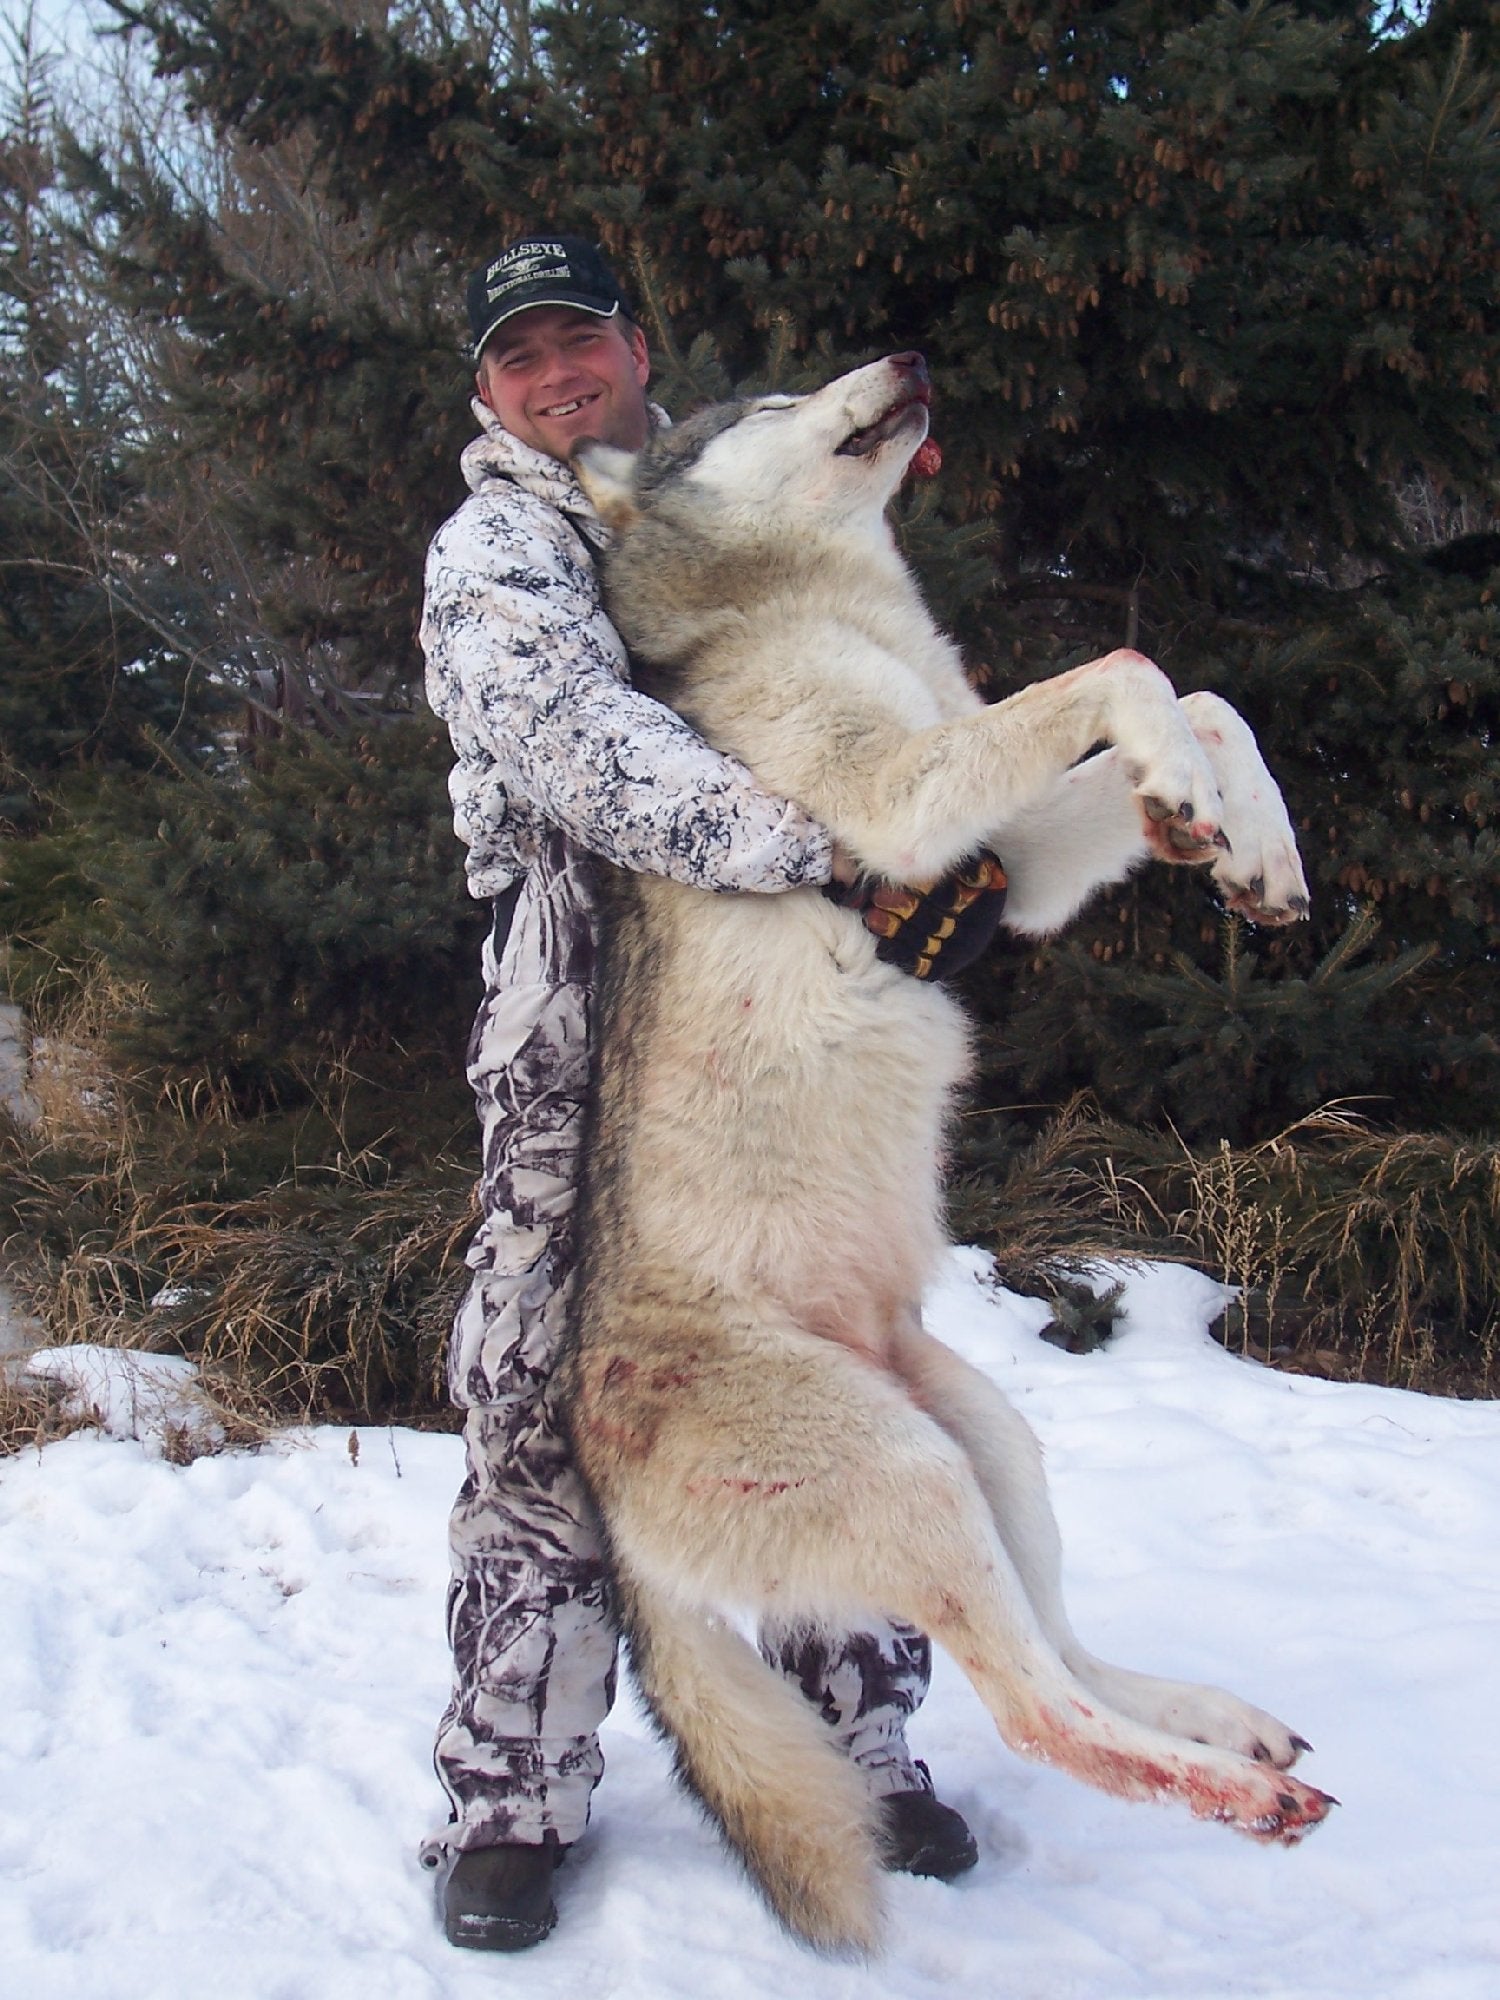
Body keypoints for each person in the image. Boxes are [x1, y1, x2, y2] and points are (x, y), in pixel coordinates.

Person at [418, 236, 995, 1953]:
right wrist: (824, 849)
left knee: (822, 1349)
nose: (553, 375)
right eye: (517, 358)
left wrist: (885, 451)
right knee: (539, 1400)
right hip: (587, 1026)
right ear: (487, 392)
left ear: (634, 342)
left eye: (575, 339)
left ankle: (864, 1742)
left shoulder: (739, 452)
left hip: (776, 1016)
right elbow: (572, 737)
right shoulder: (498, 546)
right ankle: (513, 1796)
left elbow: (856, 580)